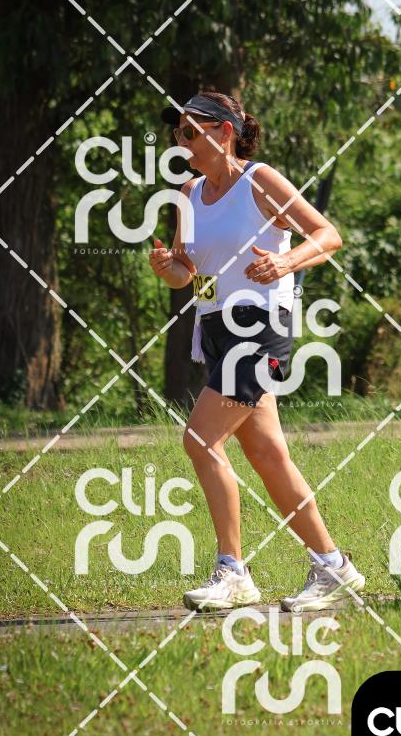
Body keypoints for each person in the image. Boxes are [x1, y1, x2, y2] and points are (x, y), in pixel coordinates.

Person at [149, 91, 364, 612]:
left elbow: (327, 235)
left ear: (224, 132)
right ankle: (334, 567)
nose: (181, 141)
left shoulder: (259, 181)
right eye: (178, 133)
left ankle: (233, 572)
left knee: (201, 441)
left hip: (259, 328)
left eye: (190, 131)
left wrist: (286, 264)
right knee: (267, 455)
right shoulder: (189, 192)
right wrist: (167, 268)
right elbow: (186, 271)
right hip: (215, 329)